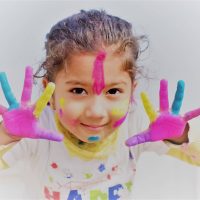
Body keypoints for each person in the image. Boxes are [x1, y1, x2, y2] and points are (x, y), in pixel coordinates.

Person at [0, 9, 200, 199]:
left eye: (113, 91)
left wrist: (180, 136)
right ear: (50, 92)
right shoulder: (35, 130)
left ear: (131, 92)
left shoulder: (137, 125)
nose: (96, 112)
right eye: (78, 91)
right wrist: (6, 136)